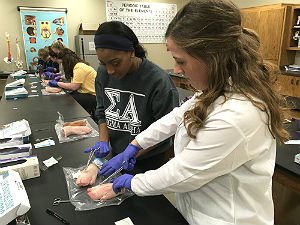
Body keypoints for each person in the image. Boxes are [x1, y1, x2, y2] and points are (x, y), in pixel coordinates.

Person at [82, 1, 290, 225]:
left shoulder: (239, 114)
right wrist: (135, 145)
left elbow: (182, 173)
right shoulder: (215, 89)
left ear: (213, 57)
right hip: (195, 212)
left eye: (181, 61)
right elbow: (174, 118)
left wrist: (131, 183)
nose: (177, 70)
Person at [76, 21, 179, 186]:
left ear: (131, 52)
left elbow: (166, 130)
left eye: (115, 63)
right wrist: (104, 141)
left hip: (148, 160)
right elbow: (102, 110)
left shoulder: (158, 82)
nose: (109, 70)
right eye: (103, 63)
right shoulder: (103, 74)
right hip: (116, 153)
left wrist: (131, 154)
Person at [44, 48, 97, 117]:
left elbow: (74, 87)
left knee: (68, 101)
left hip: (93, 95)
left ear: (66, 61)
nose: (62, 65)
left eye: (62, 63)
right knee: (66, 96)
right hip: (85, 92)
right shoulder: (77, 66)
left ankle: (78, 118)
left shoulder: (79, 67)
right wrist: (61, 77)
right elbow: (75, 79)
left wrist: (58, 83)